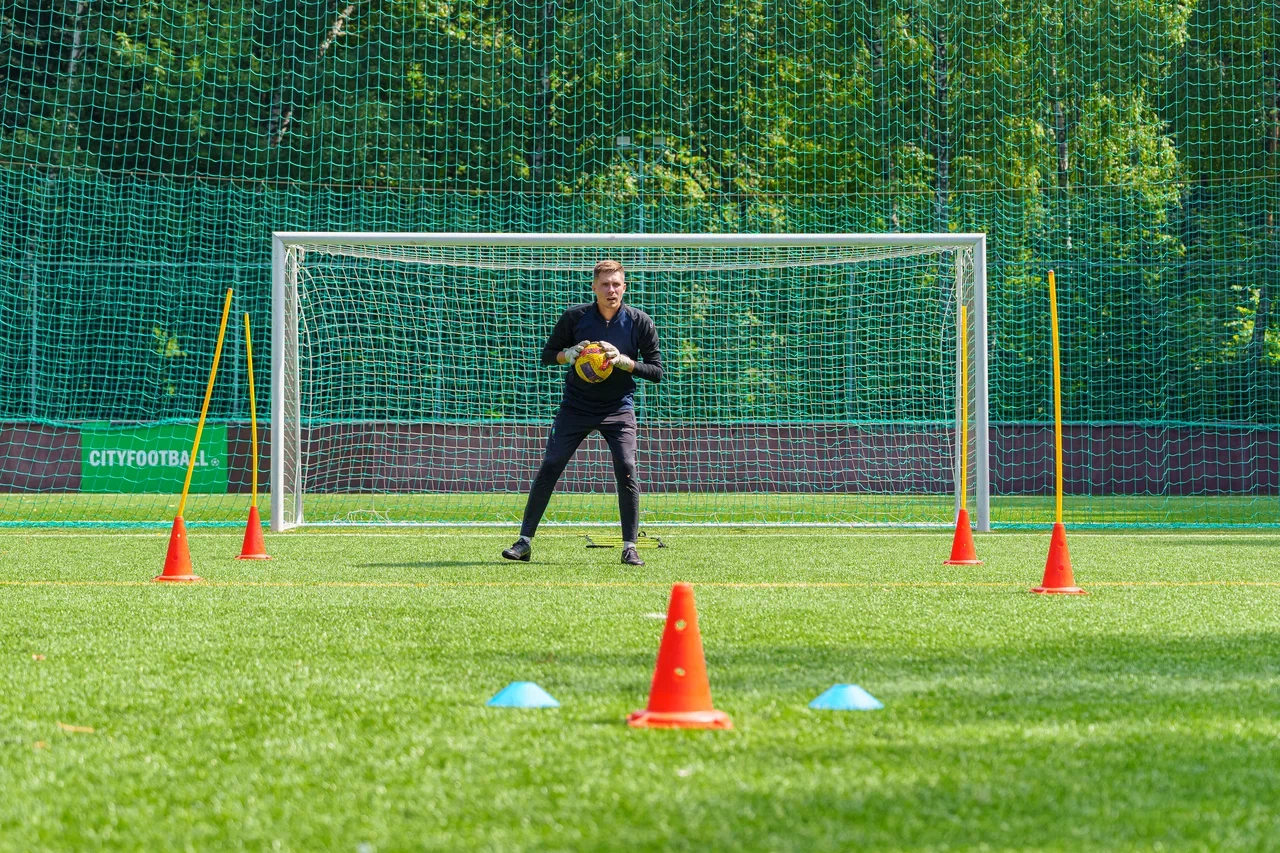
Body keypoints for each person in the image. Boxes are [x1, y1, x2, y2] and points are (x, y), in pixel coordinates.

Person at [502, 259, 663, 566]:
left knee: (626, 466)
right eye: (605, 284)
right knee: (551, 465)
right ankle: (524, 542)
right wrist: (569, 354)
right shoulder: (574, 317)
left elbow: (656, 371)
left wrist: (625, 362)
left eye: (616, 284)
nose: (611, 290)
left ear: (625, 287)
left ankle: (629, 547)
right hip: (576, 407)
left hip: (618, 408)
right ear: (594, 288)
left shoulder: (639, 321)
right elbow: (548, 355)